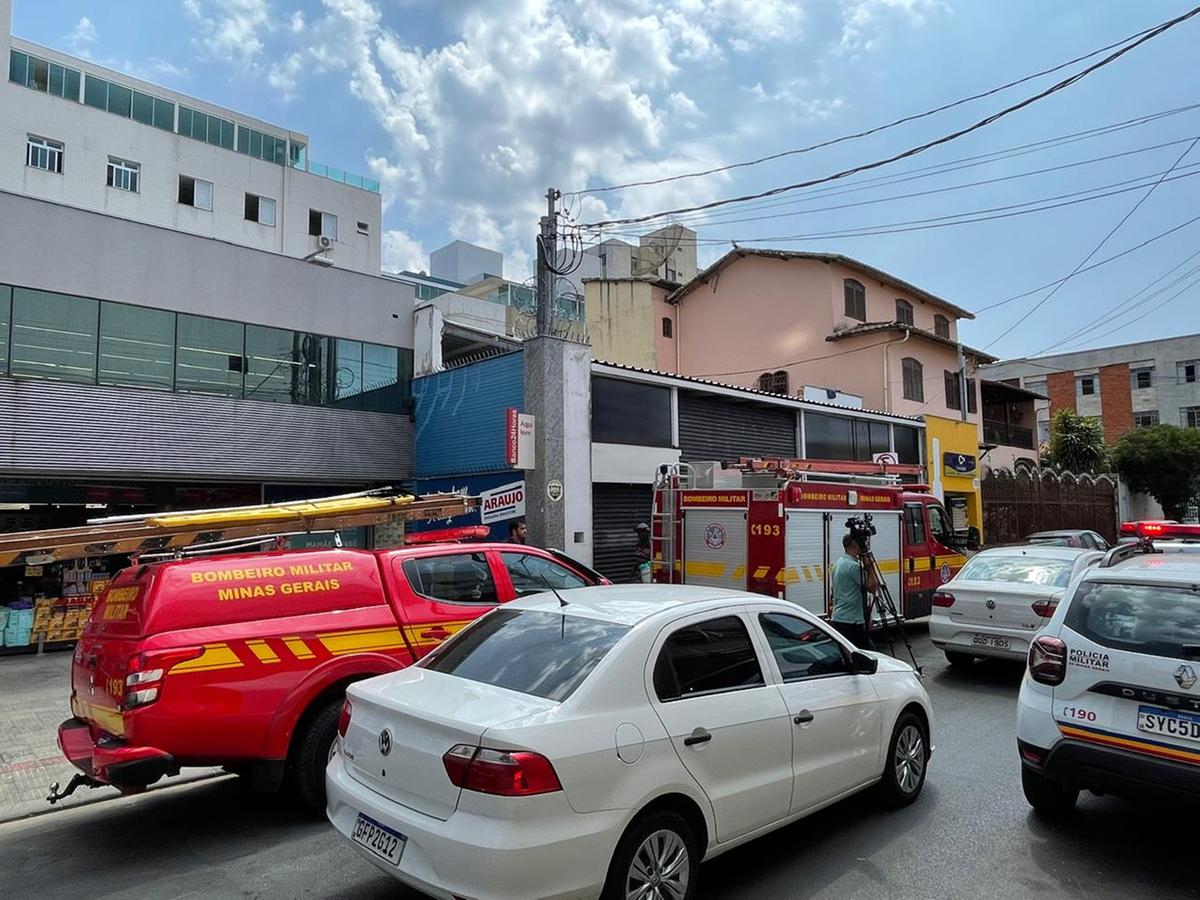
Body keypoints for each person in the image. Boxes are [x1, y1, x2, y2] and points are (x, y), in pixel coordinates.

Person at [830, 532, 877, 650]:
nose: (864, 546)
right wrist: (870, 567)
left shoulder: (839, 563)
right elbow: (872, 587)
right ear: (855, 544)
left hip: (839, 618)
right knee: (871, 655)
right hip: (852, 622)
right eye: (862, 543)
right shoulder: (853, 566)